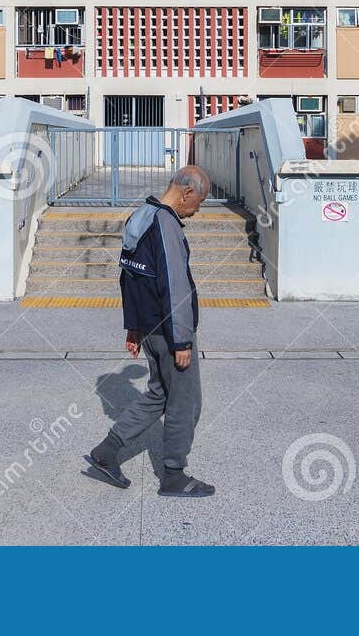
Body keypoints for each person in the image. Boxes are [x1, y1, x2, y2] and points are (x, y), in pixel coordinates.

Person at [85, 166, 215, 498]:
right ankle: (173, 475)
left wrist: (134, 326)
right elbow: (175, 287)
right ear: (186, 192)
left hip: (150, 329)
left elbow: (128, 277)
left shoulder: (140, 216)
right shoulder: (167, 225)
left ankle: (106, 453)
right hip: (170, 331)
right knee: (186, 402)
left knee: (159, 393)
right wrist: (182, 340)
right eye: (198, 202)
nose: (196, 210)